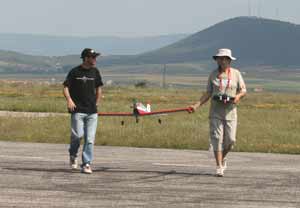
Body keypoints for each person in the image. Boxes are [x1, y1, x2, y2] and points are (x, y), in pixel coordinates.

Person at [191, 49, 246, 177]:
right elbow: (208, 93)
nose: (222, 61)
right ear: (217, 60)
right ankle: (219, 166)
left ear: (229, 60)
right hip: (216, 111)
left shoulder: (236, 74)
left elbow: (243, 90)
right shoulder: (213, 74)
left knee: (231, 141)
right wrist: (196, 105)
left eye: (225, 58)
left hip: (230, 111)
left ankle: (222, 158)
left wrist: (237, 97)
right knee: (217, 139)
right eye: (219, 58)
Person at [63, 48, 103, 174]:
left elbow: (99, 88)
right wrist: (69, 100)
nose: (95, 59)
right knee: (77, 136)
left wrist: (97, 102)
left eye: (95, 57)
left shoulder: (95, 72)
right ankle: (72, 154)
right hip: (78, 110)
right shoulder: (75, 72)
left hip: (92, 112)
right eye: (93, 57)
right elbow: (65, 87)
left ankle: (86, 164)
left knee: (90, 139)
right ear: (86, 58)